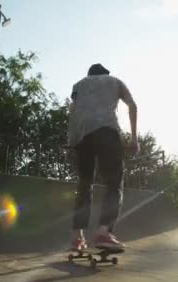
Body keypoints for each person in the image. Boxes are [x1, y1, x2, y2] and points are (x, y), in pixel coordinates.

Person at [67, 63, 138, 251]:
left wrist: (70, 142)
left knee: (84, 186)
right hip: (107, 132)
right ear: (105, 74)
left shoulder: (78, 85)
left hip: (82, 137)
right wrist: (134, 138)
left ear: (89, 75)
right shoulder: (115, 81)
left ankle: (77, 237)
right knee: (114, 183)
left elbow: (73, 112)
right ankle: (103, 233)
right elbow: (132, 105)